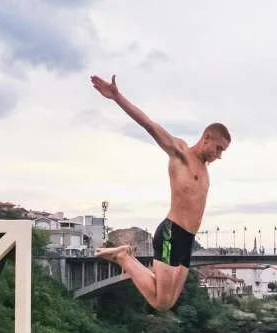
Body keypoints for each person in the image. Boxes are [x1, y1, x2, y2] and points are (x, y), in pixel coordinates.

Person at [90, 74, 230, 311]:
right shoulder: (180, 154)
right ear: (206, 138)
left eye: (223, 151)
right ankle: (124, 257)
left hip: (187, 240)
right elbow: (149, 125)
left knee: (168, 302)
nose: (219, 155)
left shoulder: (205, 170)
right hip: (170, 234)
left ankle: (125, 258)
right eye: (218, 148)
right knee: (160, 302)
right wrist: (116, 97)